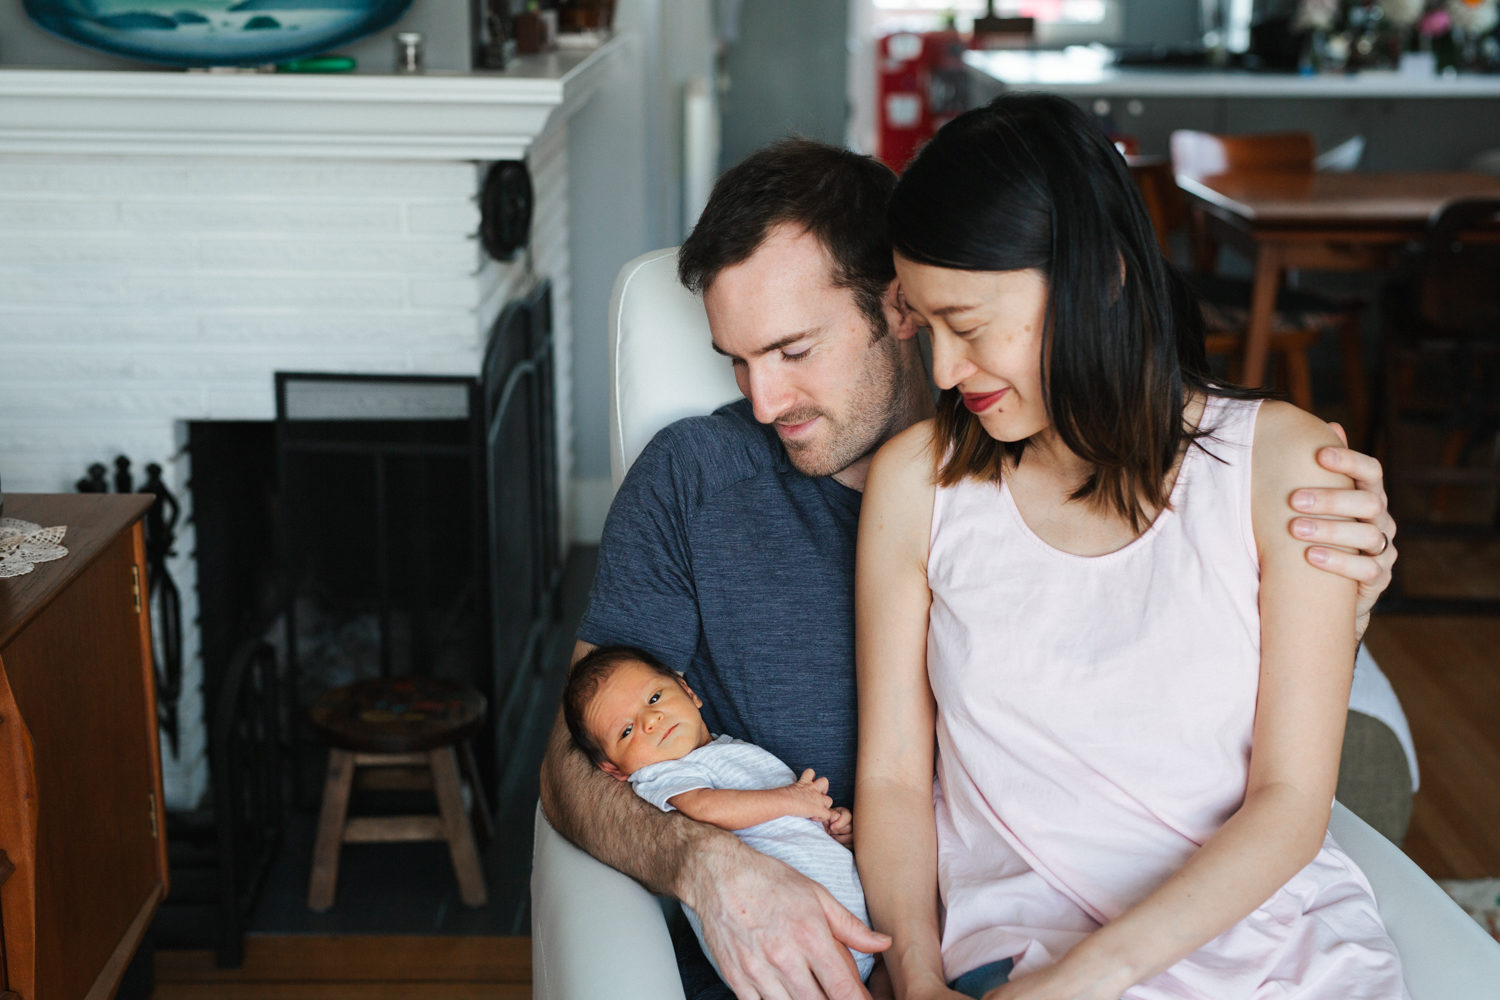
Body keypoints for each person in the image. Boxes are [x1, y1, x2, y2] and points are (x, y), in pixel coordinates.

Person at [538, 137, 1401, 1000]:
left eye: (794, 351)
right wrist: (706, 864)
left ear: (900, 307)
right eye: (736, 358)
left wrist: (1332, 604)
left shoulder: (1026, 449)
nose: (763, 403)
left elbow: (1225, 730)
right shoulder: (698, 480)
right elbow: (576, 761)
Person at [854, 93, 1405, 1000]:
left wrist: (1083, 983)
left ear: (1100, 274)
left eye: (971, 324)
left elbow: (1291, 805)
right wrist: (916, 979)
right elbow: (895, 777)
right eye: (928, 325)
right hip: (1018, 947)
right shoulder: (918, 484)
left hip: (1271, 953)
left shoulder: (1285, 464)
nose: (945, 372)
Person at [561, 644, 876, 984]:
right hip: (782, 942)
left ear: (688, 691)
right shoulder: (662, 774)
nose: (651, 721)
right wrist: (791, 800)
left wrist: (827, 828)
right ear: (614, 768)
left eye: (654, 699)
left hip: (842, 924)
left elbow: (771, 824)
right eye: (626, 731)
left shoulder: (724, 750)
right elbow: (706, 808)